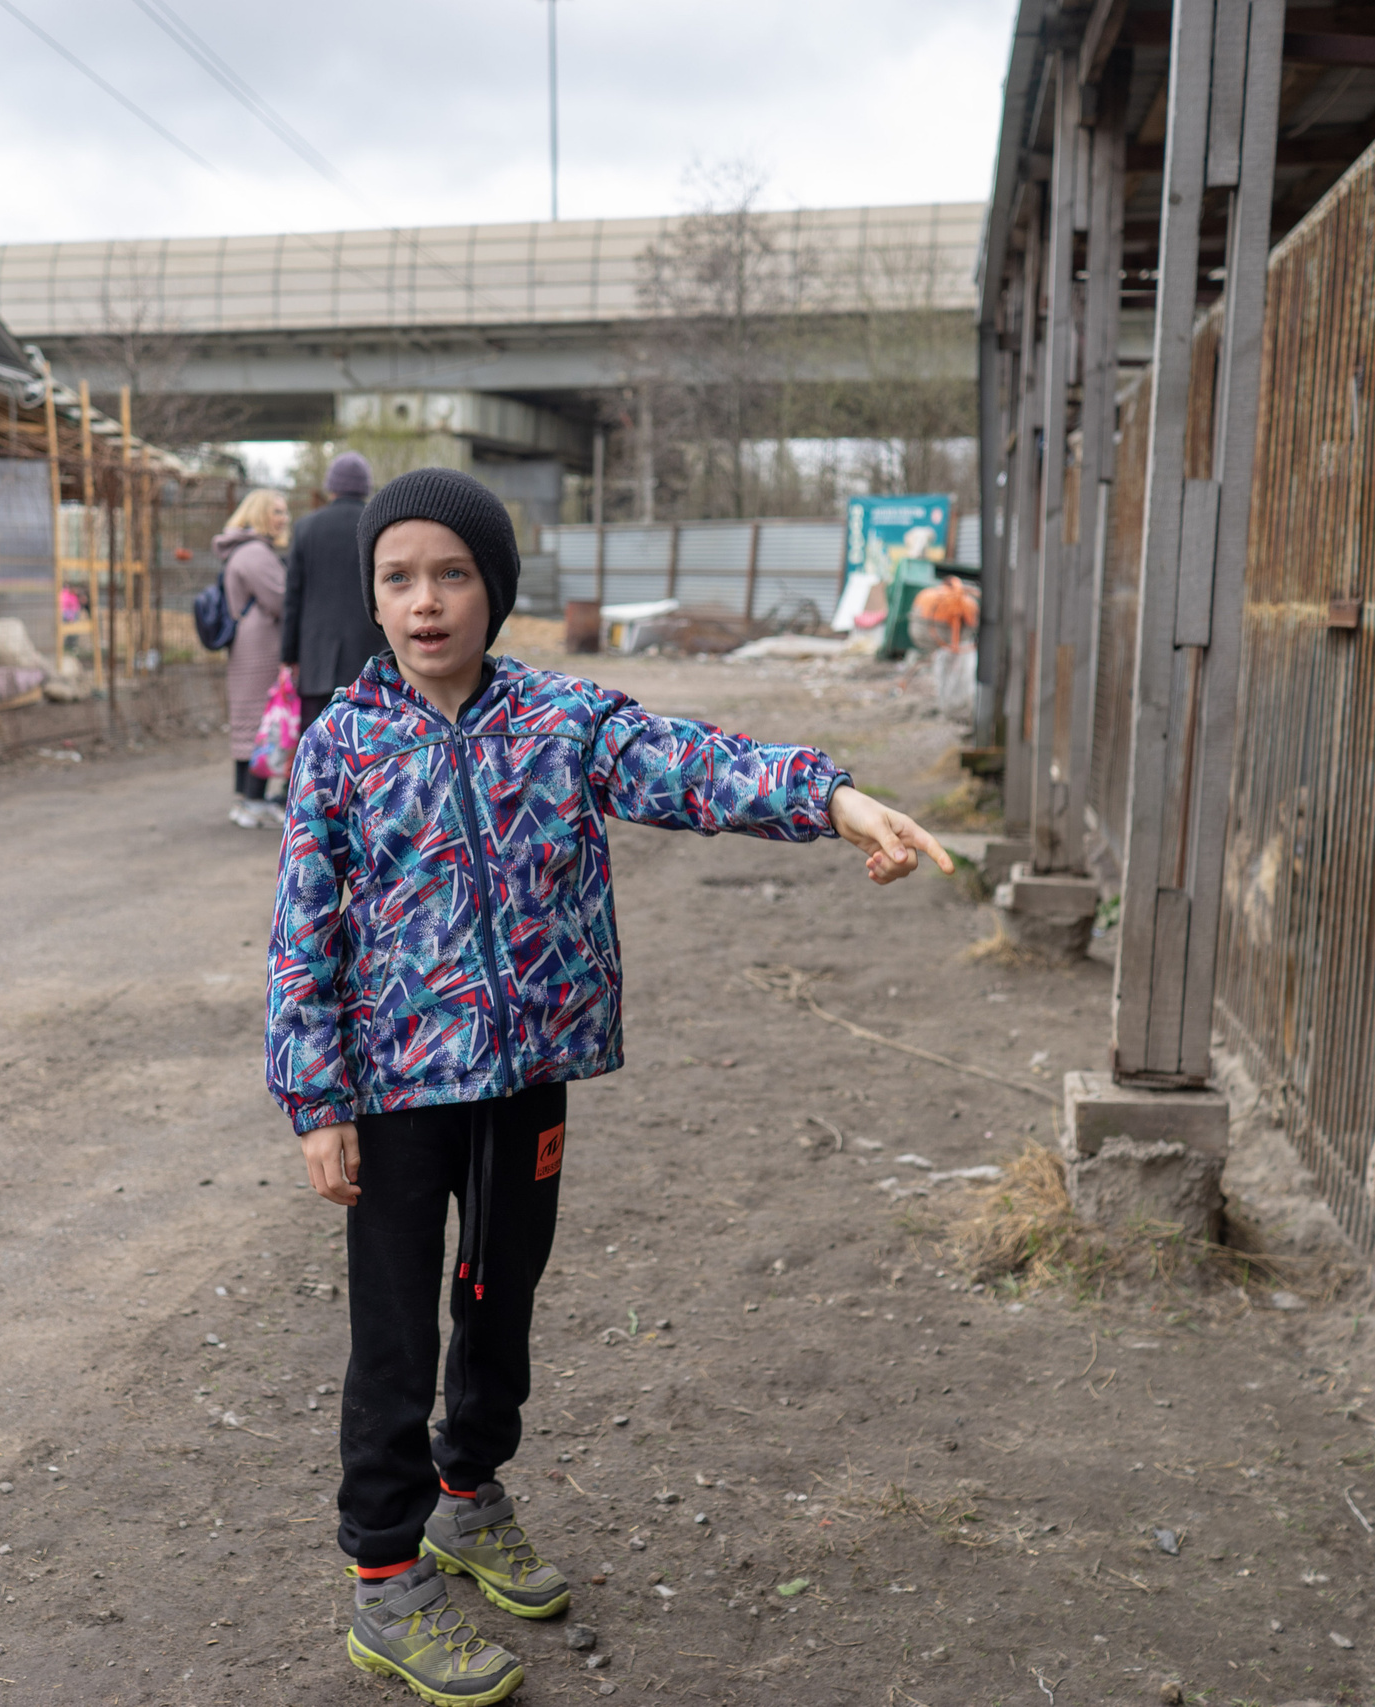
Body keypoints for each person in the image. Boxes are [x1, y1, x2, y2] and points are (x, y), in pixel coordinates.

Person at [265, 468, 953, 1704]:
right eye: (398, 578)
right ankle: (383, 1579)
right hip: (399, 1092)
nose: (426, 603)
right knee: (394, 1331)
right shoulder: (340, 750)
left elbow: (696, 765)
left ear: (496, 588)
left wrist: (833, 798)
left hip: (528, 1078)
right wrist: (316, 1102)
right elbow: (301, 937)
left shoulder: (562, 721)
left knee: (501, 1295)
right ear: (371, 597)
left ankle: (467, 1500)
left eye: (454, 574)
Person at [280, 451, 386, 729]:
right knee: (367, 744)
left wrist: (289, 656)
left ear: (331, 487)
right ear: (365, 487)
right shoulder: (377, 526)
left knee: (317, 742)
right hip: (369, 655)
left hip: (316, 660)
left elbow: (293, 598)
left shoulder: (306, 528)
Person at [215, 487, 290, 828]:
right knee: (264, 721)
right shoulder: (256, 553)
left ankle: (243, 800)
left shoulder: (239, 551)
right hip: (261, 647)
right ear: (259, 513)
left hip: (246, 645)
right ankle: (254, 800)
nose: (283, 518)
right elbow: (280, 599)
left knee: (248, 721)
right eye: (276, 511)